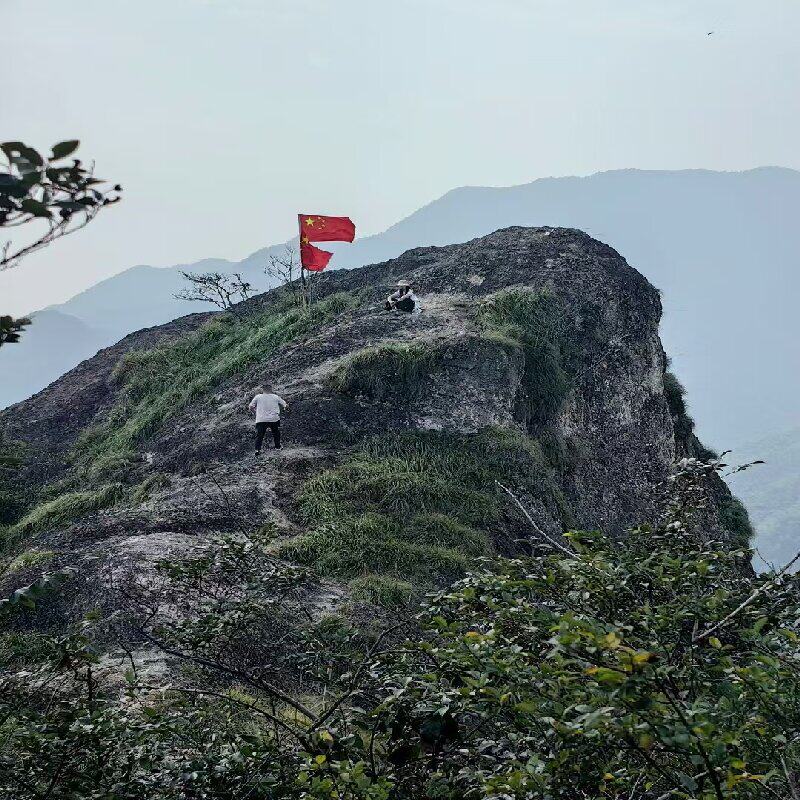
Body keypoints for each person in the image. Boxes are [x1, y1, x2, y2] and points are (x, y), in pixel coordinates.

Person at [248, 384, 288, 453]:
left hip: (261, 419)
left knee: (259, 435)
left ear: (262, 389)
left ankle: (257, 450)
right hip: (274, 418)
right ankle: (278, 447)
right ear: (271, 389)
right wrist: (283, 410)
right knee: (276, 433)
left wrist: (255, 412)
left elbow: (251, 406)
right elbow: (285, 405)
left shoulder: (258, 397)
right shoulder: (276, 397)